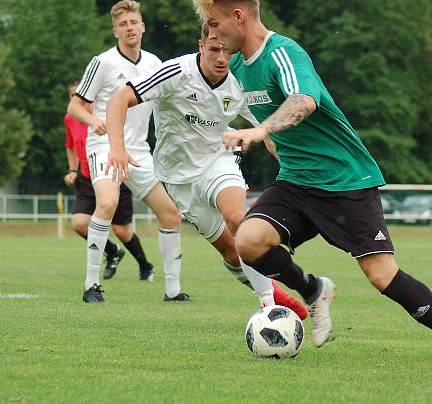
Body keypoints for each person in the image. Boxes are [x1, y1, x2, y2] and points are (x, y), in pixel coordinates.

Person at [192, 0, 432, 367]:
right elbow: (281, 130)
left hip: (345, 180)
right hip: (296, 182)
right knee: (248, 240)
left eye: (215, 22)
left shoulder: (283, 52)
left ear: (239, 16)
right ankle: (313, 290)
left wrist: (258, 131)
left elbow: (302, 102)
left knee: (382, 276)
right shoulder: (240, 68)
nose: (211, 32)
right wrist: (268, 141)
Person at [106, 24, 308, 320]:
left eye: (227, 51)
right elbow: (119, 98)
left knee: (238, 219)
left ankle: (269, 306)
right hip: (178, 179)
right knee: (230, 252)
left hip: (219, 159)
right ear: (201, 45)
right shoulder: (175, 72)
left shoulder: (239, 81)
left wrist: (290, 164)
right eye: (214, 49)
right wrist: (117, 148)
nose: (221, 58)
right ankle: (270, 291)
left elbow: (267, 130)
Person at [67, 0, 187, 303]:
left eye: (134, 22)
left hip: (138, 151)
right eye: (123, 24)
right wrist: (94, 121)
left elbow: (169, 103)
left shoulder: (155, 63)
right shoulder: (103, 62)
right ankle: (91, 286)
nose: (129, 28)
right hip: (105, 147)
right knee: (106, 204)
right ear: (115, 31)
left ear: (143, 26)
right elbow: (75, 105)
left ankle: (173, 291)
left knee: (171, 214)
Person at [64, 78, 153, 280]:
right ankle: (112, 252)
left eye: (84, 95)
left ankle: (145, 266)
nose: (81, 100)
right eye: (73, 96)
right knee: (79, 223)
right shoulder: (70, 119)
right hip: (87, 177)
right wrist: (72, 169)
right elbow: (70, 146)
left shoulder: (105, 115)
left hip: (112, 174)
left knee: (121, 230)